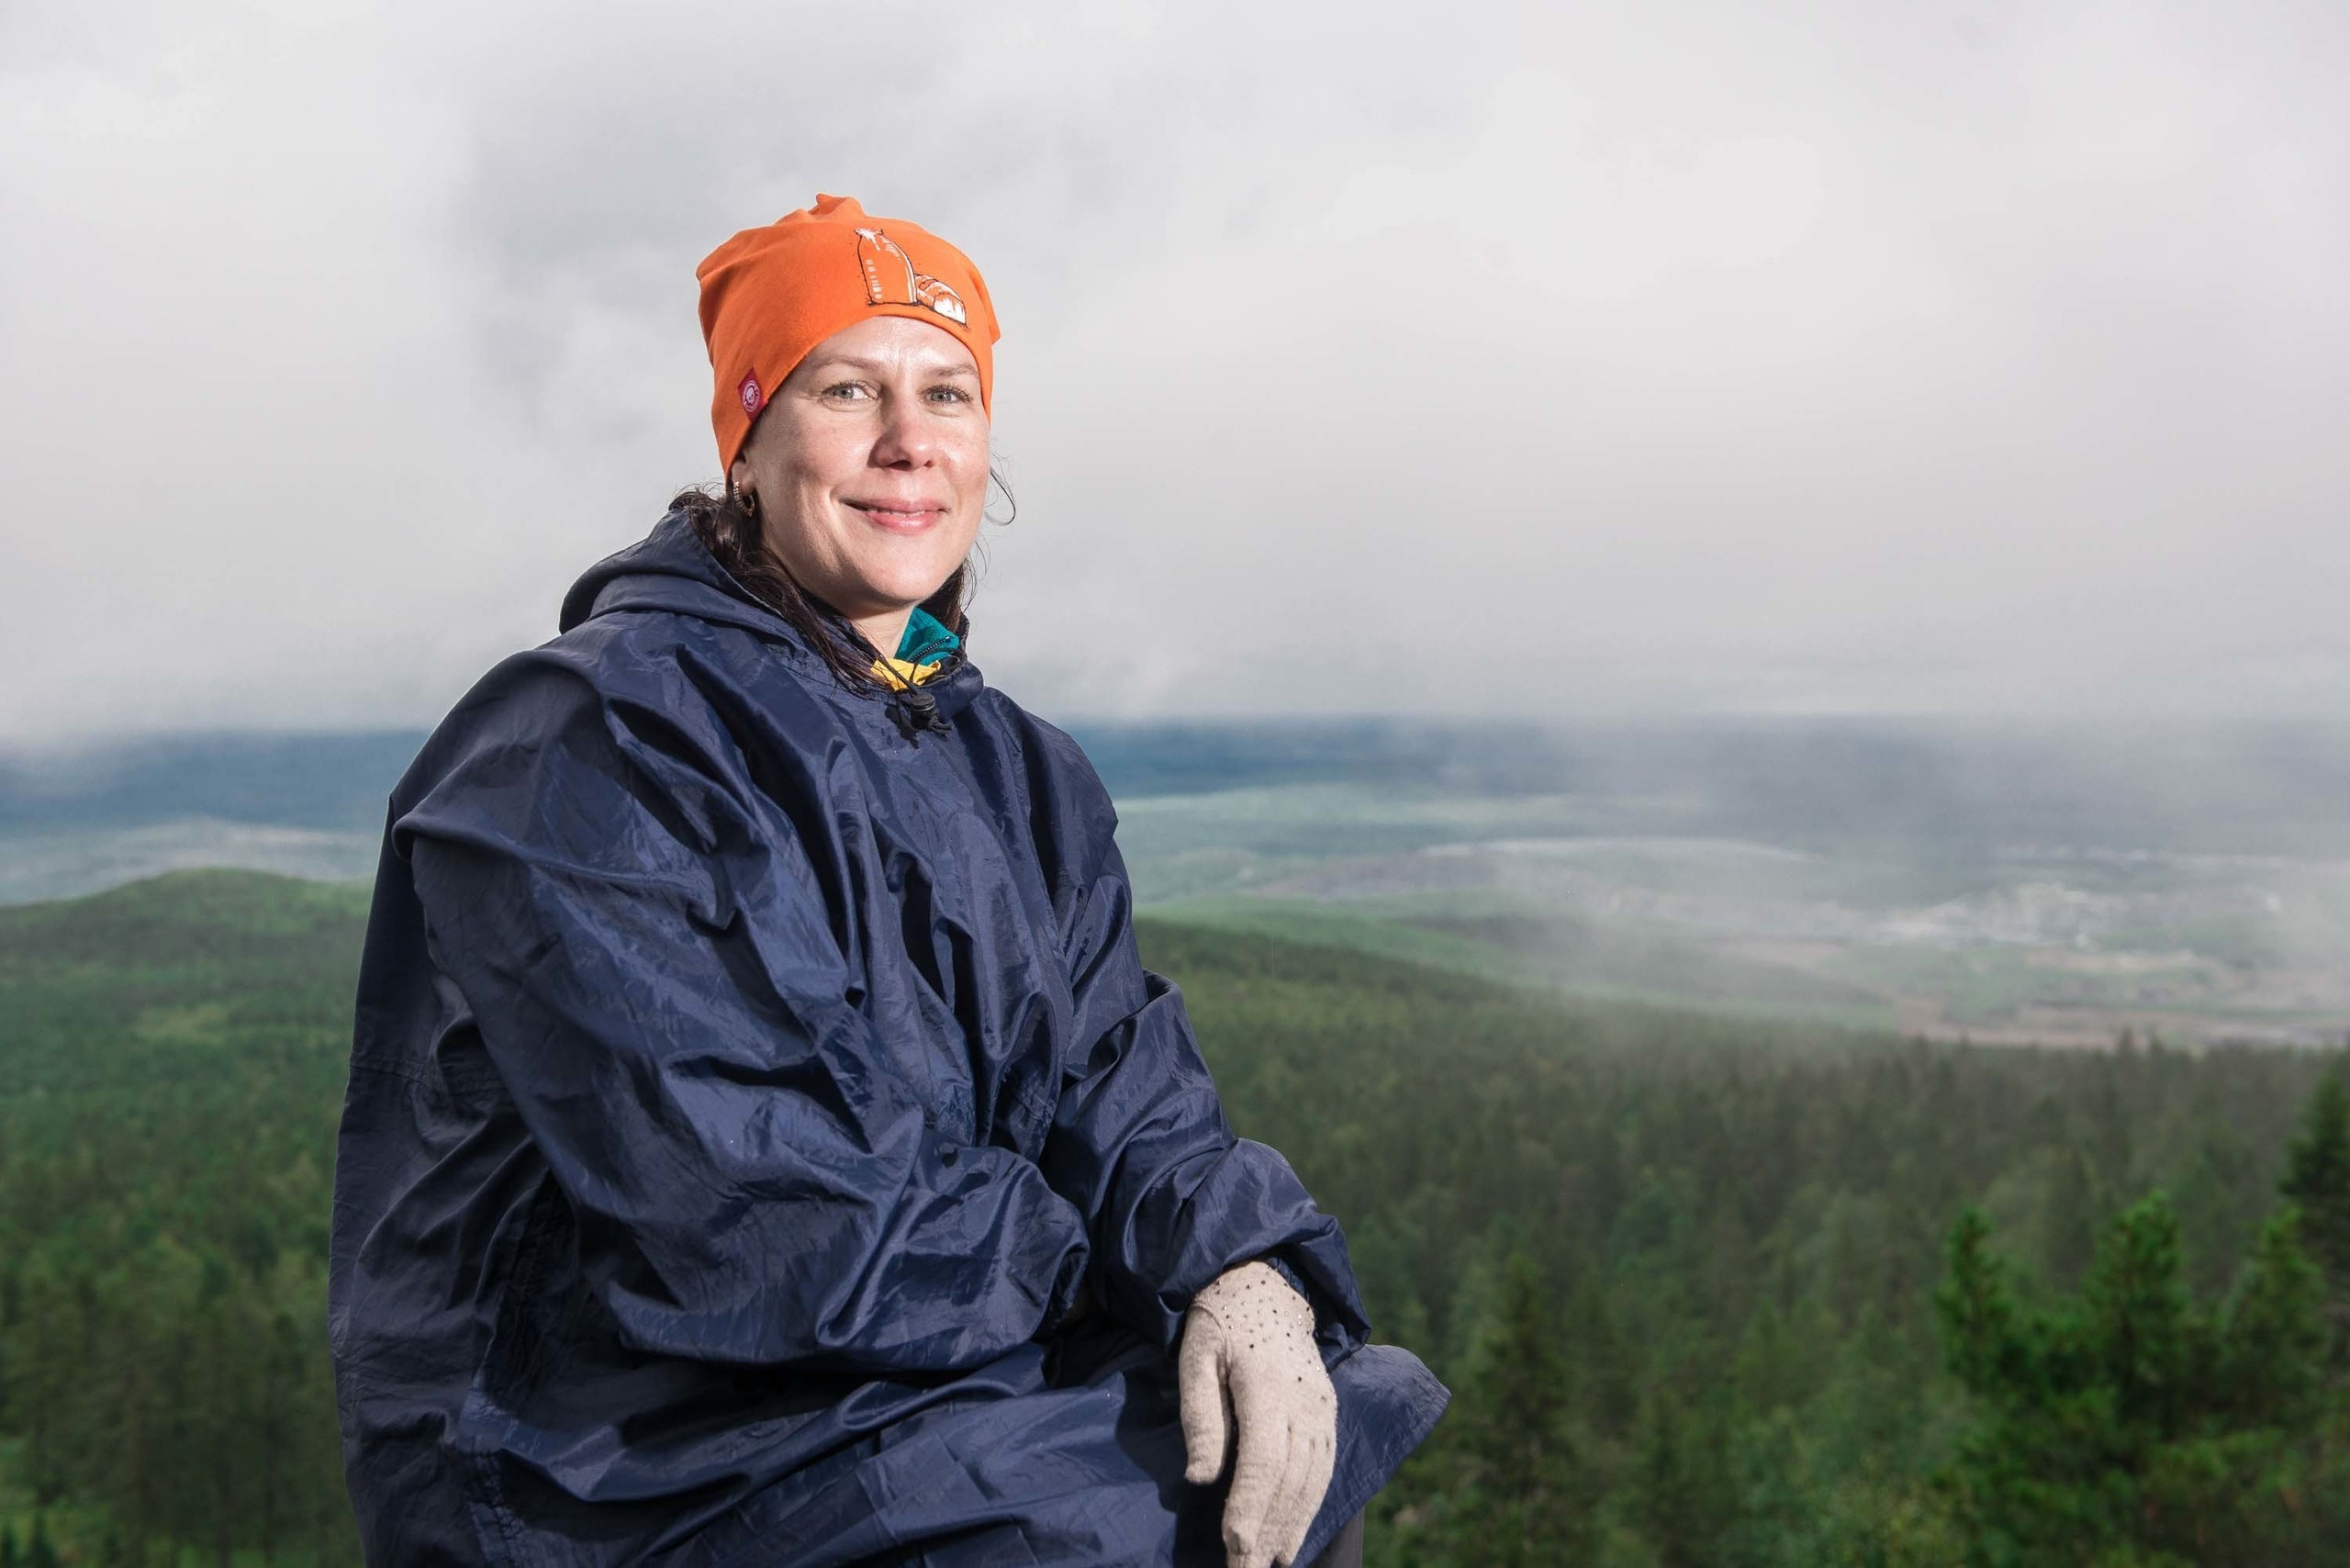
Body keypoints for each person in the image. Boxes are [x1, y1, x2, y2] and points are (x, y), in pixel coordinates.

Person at [329, 194, 1448, 1568]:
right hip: (621, 1455)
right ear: (747, 438)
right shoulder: (595, 738)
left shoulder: (1015, 765)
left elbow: (1110, 1075)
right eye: (847, 389)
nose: (910, 442)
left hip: (916, 1378)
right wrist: (1112, 1283)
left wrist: (1232, 1263)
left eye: (949, 393)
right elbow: (753, 1203)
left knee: (1288, 1443)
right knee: (1133, 1526)